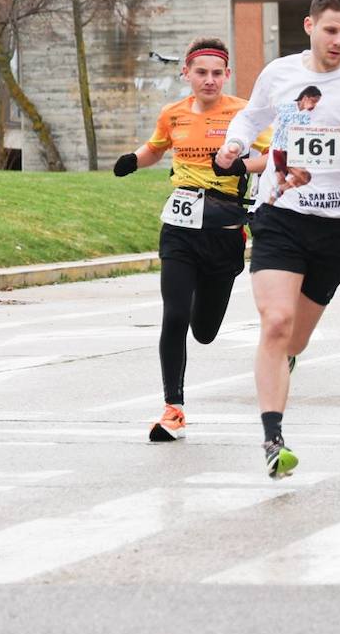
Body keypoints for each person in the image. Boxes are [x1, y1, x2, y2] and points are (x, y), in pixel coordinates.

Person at [215, 0, 340, 478]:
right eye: (331, 30)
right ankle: (273, 439)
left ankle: (284, 364)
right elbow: (251, 115)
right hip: (279, 213)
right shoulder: (280, 73)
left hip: (335, 225)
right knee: (276, 324)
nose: (339, 41)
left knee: (294, 342)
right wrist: (235, 143)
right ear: (310, 26)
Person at [112, 37, 269, 442]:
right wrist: (133, 160)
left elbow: (276, 154)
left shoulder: (243, 114)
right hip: (180, 226)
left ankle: (206, 301)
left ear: (227, 76)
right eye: (201, 72)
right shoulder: (173, 113)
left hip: (224, 229)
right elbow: (155, 148)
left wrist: (242, 165)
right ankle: (173, 409)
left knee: (204, 330)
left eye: (217, 73)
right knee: (175, 315)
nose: (210, 80)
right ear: (187, 74)